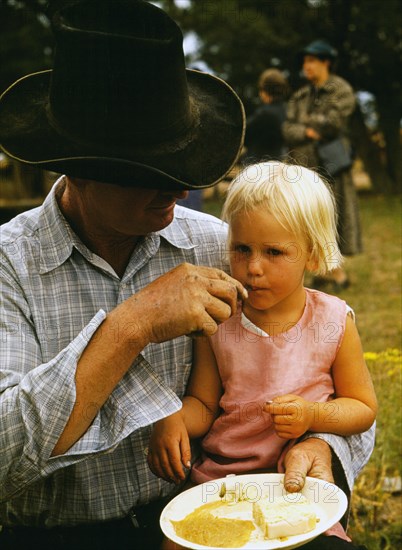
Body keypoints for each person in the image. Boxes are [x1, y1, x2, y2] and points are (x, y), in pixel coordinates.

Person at [0, 2, 373, 549]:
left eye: (185, 168)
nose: (180, 189)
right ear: (78, 168)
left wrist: (322, 441)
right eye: (152, 173)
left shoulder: (222, 245)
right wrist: (131, 326)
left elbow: (323, 374)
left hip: (217, 515)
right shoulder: (10, 264)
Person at [148, 162, 377, 549]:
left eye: (274, 252)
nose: (253, 268)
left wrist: (312, 415)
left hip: (298, 487)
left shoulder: (334, 320)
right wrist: (170, 419)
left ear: (314, 255)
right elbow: (204, 404)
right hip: (223, 485)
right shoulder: (219, 318)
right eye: (242, 249)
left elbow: (361, 407)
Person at [283, 39, 362, 291]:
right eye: (305, 61)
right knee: (306, 220)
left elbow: (333, 123)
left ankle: (335, 273)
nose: (307, 66)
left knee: (332, 219)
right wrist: (307, 131)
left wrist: (304, 125)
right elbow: (287, 129)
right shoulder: (300, 95)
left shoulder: (340, 89)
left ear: (326, 62)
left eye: (312, 61)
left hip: (332, 168)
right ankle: (326, 272)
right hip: (303, 169)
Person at [243, 68, 288, 162]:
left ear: (264, 91)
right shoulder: (287, 110)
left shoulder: (264, 113)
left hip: (257, 165)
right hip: (279, 162)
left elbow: (243, 135)